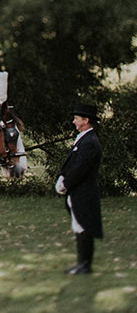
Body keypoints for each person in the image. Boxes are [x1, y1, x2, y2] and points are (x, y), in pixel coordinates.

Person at [55, 103, 103, 275]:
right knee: (78, 225)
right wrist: (62, 176)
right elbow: (73, 163)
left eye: (76, 119)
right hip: (77, 192)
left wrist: (65, 183)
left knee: (83, 226)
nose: (74, 122)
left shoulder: (89, 142)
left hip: (84, 192)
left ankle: (85, 265)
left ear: (86, 120)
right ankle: (81, 263)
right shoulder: (83, 139)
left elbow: (80, 168)